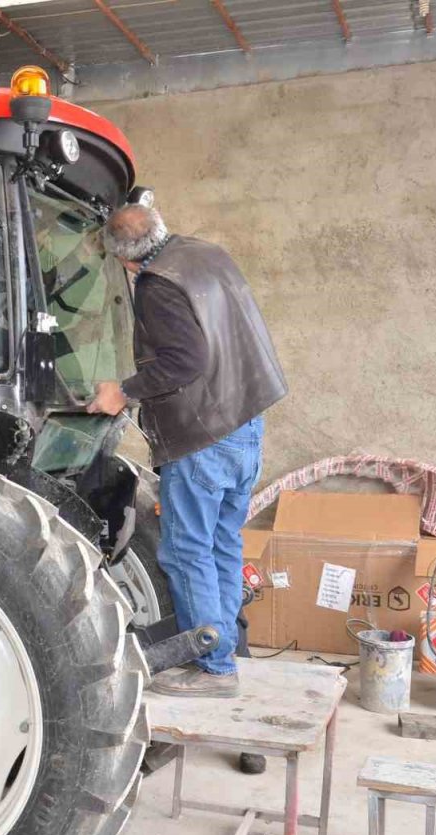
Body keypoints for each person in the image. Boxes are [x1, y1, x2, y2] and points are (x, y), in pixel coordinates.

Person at [87, 204, 286, 772]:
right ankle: (223, 653)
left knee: (185, 550)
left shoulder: (156, 285)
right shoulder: (204, 254)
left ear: (125, 261)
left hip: (203, 435)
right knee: (223, 545)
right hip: (245, 426)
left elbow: (185, 359)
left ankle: (212, 667)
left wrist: (122, 391)